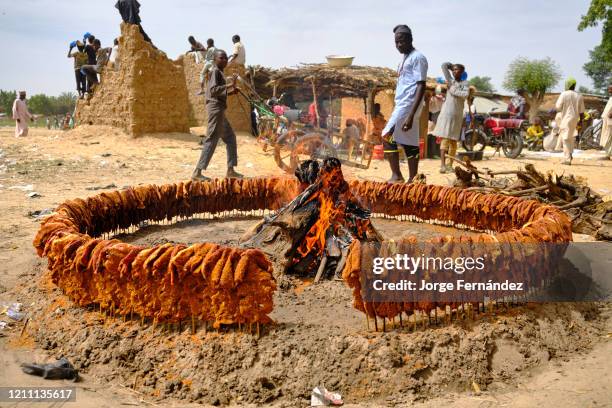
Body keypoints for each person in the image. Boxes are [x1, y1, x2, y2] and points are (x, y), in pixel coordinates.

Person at [382, 24, 428, 183]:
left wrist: (411, 115)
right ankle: (413, 179)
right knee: (409, 142)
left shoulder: (418, 57)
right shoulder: (404, 59)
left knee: (386, 135)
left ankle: (397, 176)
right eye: (396, 42)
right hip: (403, 104)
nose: (399, 45)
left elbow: (421, 85)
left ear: (410, 39)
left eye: (402, 41)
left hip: (408, 105)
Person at [192, 49, 243, 181]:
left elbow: (217, 92)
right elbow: (214, 91)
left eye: (226, 58)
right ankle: (197, 172)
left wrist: (232, 91)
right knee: (212, 139)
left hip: (219, 110)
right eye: (221, 58)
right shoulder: (215, 71)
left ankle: (231, 170)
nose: (225, 60)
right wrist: (230, 84)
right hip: (216, 110)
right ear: (215, 59)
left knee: (230, 137)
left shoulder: (219, 72)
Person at [433, 62, 470, 173]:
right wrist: (451, 65)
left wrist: (452, 89)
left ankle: (450, 165)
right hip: (446, 115)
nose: (454, 72)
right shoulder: (450, 80)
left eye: (457, 70)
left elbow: (465, 94)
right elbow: (443, 66)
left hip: (457, 116)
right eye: (453, 70)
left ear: (462, 72)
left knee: (453, 142)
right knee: (445, 139)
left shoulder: (465, 83)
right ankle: (443, 166)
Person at [555, 77, 585, 165]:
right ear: (574, 85)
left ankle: (567, 159)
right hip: (575, 119)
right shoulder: (579, 95)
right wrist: (581, 121)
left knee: (565, 138)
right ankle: (570, 154)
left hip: (566, 118)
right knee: (571, 138)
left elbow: (558, 107)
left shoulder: (564, 94)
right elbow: (582, 111)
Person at [600, 84, 612, 160]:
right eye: (609, 89)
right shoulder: (610, 98)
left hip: (610, 121)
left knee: (609, 137)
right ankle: (608, 153)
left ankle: (609, 154)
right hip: (607, 121)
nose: (609, 90)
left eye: (610, 89)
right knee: (607, 137)